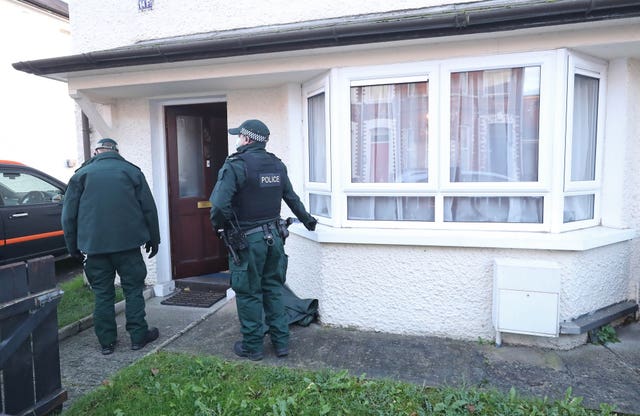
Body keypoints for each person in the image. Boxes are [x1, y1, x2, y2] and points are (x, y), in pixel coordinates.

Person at [209, 119, 317, 361]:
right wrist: (308, 220)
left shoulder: (235, 165)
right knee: (273, 290)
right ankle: (281, 344)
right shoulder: (277, 165)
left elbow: (218, 206)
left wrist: (219, 227)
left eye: (239, 136)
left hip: (248, 242)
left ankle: (253, 346)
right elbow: (292, 198)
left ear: (247, 139)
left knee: (248, 293)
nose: (237, 139)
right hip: (276, 239)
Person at [62, 138, 161, 355]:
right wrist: (154, 239)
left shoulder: (81, 175)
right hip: (128, 247)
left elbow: (68, 216)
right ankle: (138, 337)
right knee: (133, 290)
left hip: (95, 249)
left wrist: (73, 247)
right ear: (116, 151)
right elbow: (149, 210)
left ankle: (106, 343)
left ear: (97, 151)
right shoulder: (131, 172)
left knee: (103, 294)